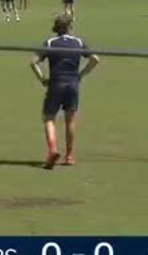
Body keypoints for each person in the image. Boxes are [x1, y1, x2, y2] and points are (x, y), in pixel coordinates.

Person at [29, 15, 100, 169]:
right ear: (70, 27)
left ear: (56, 28)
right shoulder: (79, 42)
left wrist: (42, 79)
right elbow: (95, 59)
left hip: (56, 84)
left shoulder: (50, 43)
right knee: (70, 120)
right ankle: (69, 156)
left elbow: (32, 62)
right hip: (73, 84)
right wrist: (81, 75)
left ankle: (53, 150)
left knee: (49, 118)